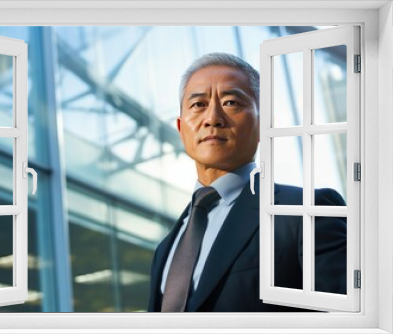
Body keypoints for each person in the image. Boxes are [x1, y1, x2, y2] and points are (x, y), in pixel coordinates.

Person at [147, 52, 347, 312]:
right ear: (181, 128)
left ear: (264, 125)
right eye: (198, 105)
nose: (212, 118)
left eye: (231, 102)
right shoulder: (165, 249)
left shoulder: (306, 212)